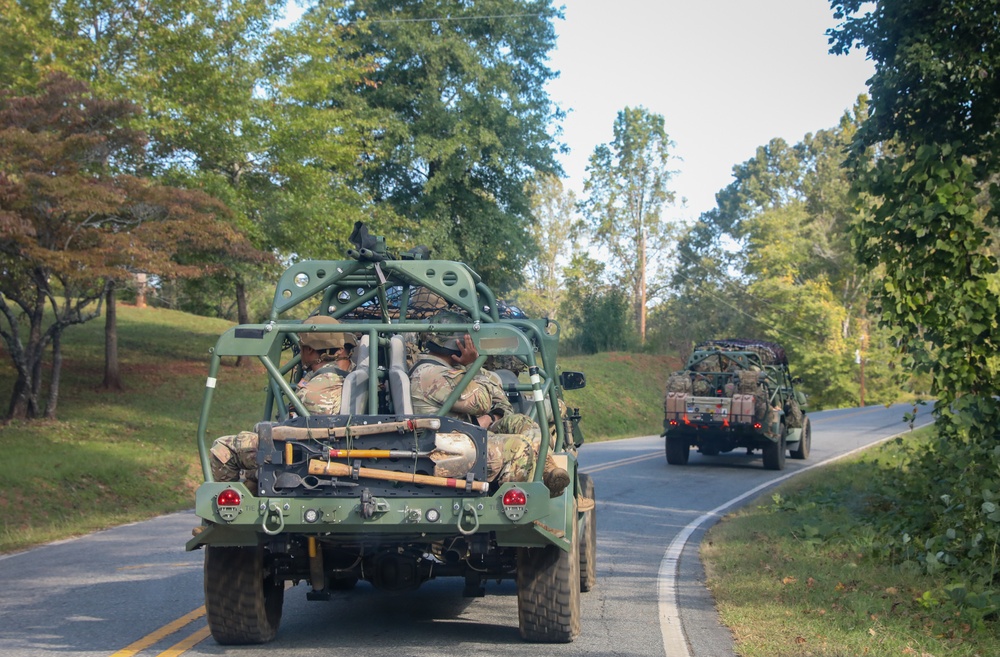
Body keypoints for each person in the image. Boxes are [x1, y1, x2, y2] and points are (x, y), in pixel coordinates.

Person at [410, 311, 572, 497]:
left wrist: (493, 415)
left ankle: (548, 471)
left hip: (461, 437)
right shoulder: (433, 375)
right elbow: (483, 402)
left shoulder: (441, 371)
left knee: (521, 422)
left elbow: (494, 399)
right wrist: (472, 365)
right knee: (520, 447)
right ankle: (520, 505)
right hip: (447, 448)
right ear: (458, 344)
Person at [209, 315, 357, 489]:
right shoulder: (346, 377)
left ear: (309, 350)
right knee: (252, 469)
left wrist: (264, 430)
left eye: (301, 347)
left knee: (223, 448)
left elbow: (297, 433)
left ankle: (227, 508)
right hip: (318, 447)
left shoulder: (313, 392)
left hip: (302, 454)